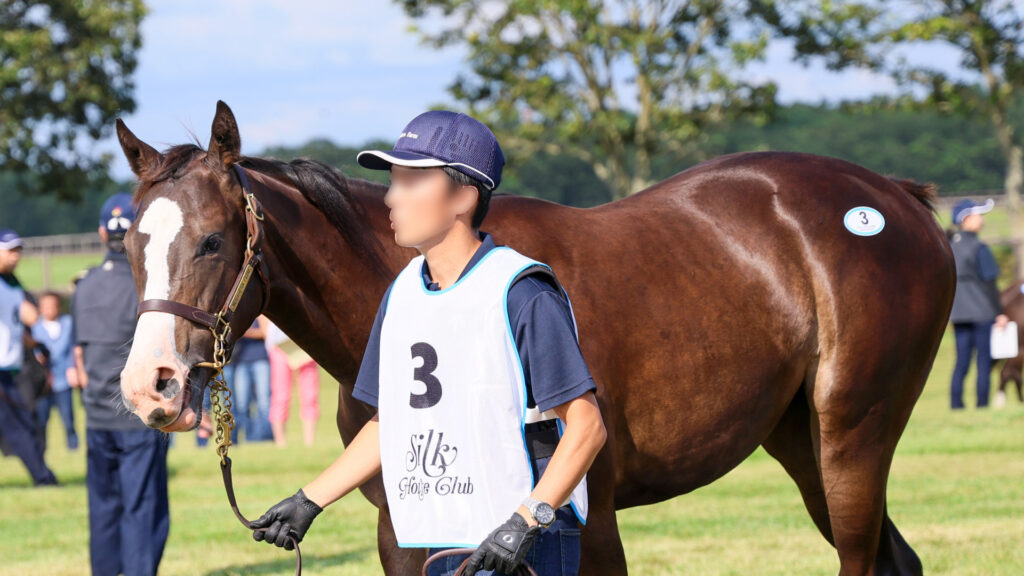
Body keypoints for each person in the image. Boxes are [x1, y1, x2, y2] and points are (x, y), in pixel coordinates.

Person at [250, 110, 606, 576]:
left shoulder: (521, 291)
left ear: (462, 195)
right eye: (393, 180)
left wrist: (526, 520)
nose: (391, 197)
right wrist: (309, 500)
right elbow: (391, 423)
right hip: (444, 536)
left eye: (410, 181)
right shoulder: (402, 294)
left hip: (522, 543)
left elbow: (586, 427)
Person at [72, 194, 169, 575]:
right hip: (135, 413)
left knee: (103, 506)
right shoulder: (144, 285)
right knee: (142, 506)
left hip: (95, 414)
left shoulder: (83, 286)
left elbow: (78, 356)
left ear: (100, 234)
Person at [0, 228, 58, 486]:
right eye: (10, 251)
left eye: (18, 251)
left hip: (9, 369)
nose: (16, 256)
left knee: (23, 423)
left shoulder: (11, 284)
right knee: (19, 427)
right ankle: (44, 478)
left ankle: (43, 476)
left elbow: (23, 321)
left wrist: (35, 344)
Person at [949, 198, 1009, 410]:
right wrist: (1000, 313)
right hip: (982, 312)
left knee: (961, 362)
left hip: (958, 313)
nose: (982, 220)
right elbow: (990, 283)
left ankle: (957, 406)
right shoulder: (979, 248)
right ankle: (982, 406)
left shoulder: (948, 246)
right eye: (978, 215)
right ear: (966, 219)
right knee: (983, 362)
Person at [32, 291, 79, 450]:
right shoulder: (34, 328)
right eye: (45, 306)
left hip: (63, 379)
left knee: (68, 417)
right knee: (41, 419)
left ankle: (73, 446)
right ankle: (40, 448)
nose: (49, 309)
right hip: (43, 382)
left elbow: (74, 347)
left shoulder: (68, 323)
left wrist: (73, 367)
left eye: (52, 306)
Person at [263, 319, 320, 447]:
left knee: (310, 395)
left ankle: (309, 443)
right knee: (280, 395)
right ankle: (280, 443)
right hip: (280, 346)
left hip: (306, 346)